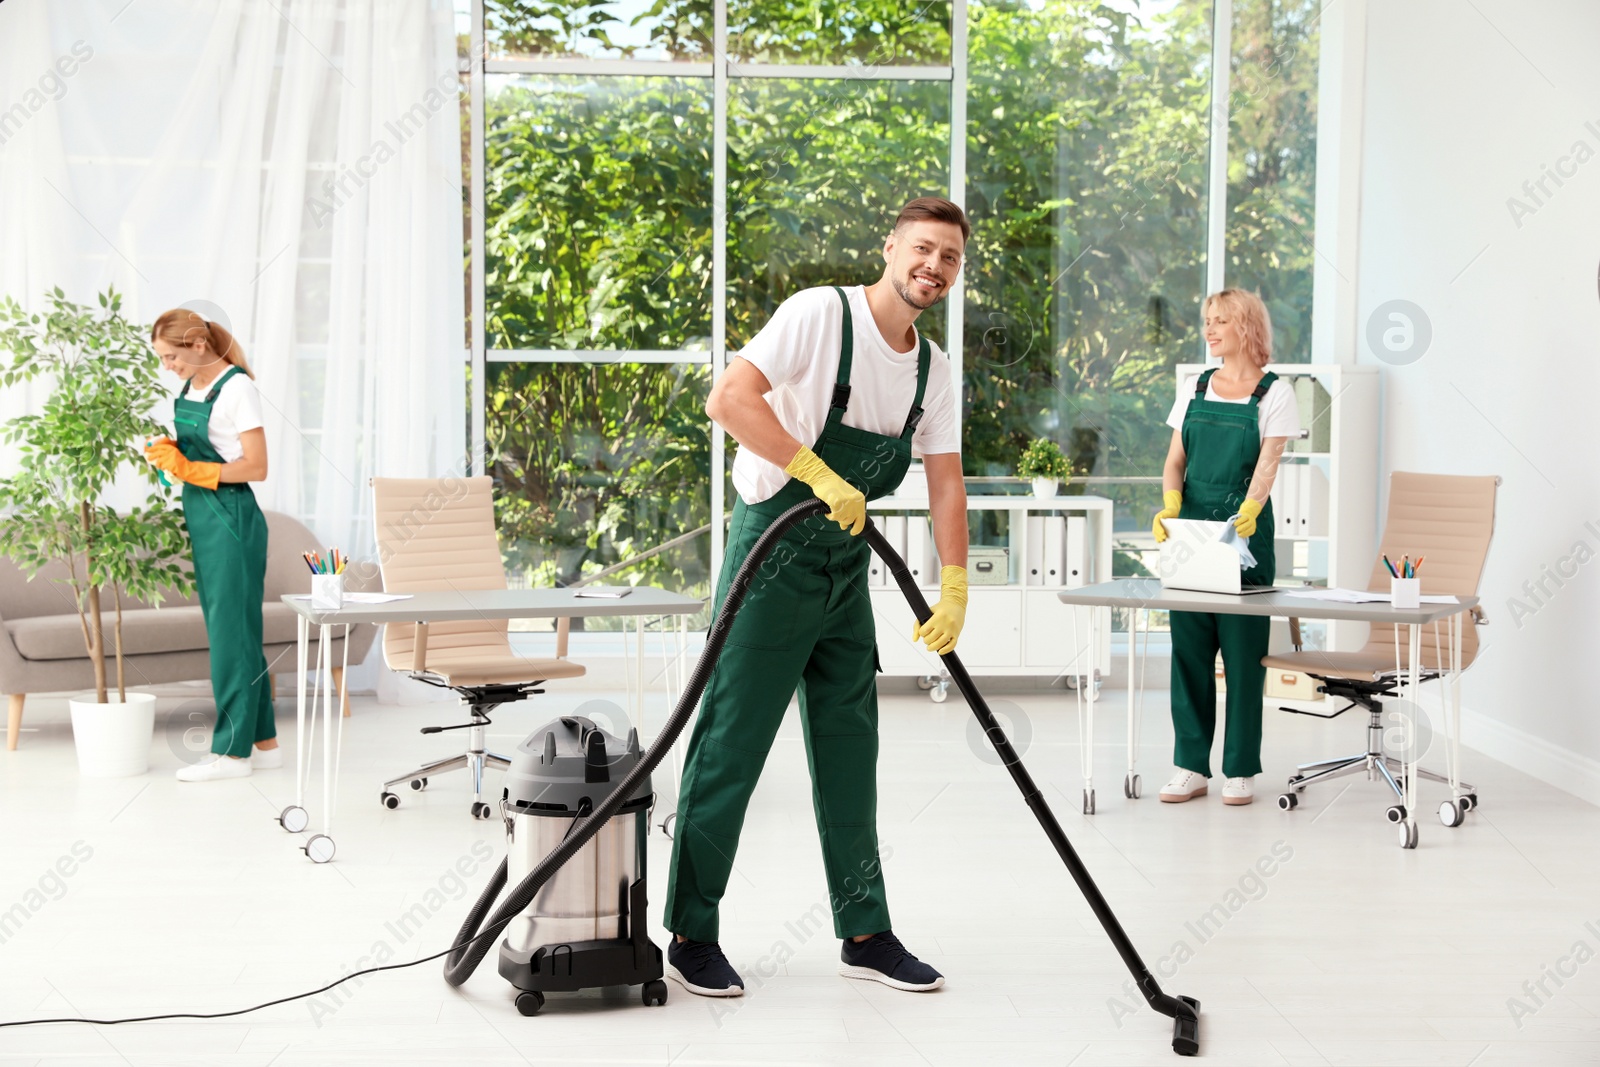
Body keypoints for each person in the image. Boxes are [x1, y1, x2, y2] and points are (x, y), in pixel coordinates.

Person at [663, 197, 970, 998]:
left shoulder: (932, 371)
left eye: (949, 259)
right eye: (923, 249)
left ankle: (865, 929)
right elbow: (728, 398)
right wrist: (815, 470)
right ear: (892, 245)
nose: (933, 267)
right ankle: (690, 930)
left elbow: (945, 483)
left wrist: (956, 582)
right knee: (731, 744)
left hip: (844, 569)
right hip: (769, 557)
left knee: (849, 750)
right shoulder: (820, 317)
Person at [1151, 289, 1299, 807]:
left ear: (1247, 327)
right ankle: (1190, 765)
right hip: (1190, 532)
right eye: (1207, 321)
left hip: (1243, 532)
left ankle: (1240, 768)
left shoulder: (1275, 393)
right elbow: (1176, 458)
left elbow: (1269, 463)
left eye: (1220, 321)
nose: (1210, 330)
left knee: (1242, 656)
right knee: (1188, 652)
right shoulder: (1196, 386)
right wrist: (1171, 503)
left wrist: (1252, 510)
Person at [144, 311, 280, 782]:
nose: (168, 367)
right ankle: (264, 742)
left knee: (230, 638)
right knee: (237, 632)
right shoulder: (191, 388)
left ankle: (231, 754)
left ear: (198, 344)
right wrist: (169, 456)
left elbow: (256, 466)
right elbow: (202, 451)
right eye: (162, 359)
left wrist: (191, 469)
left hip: (232, 519)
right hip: (204, 519)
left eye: (171, 356)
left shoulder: (237, 387)